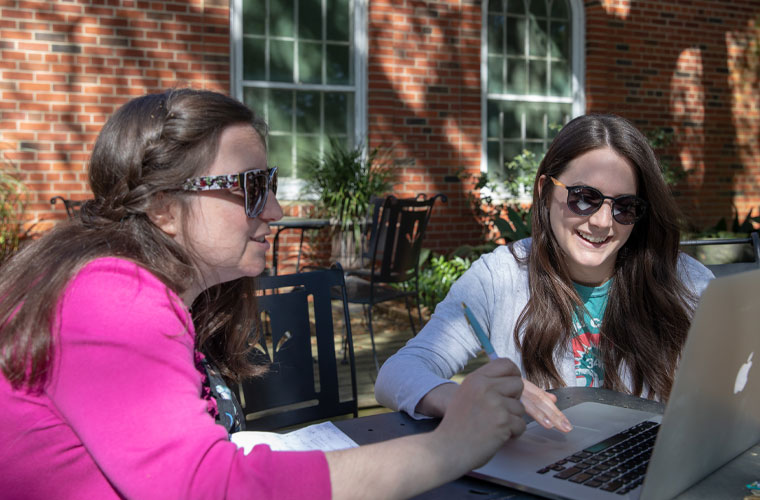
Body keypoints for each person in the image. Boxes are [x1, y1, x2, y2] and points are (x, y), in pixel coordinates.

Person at [0, 88, 527, 500]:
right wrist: (448, 448)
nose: (274, 210)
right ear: (162, 207)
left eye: (269, 184)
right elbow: (207, 489)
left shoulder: (157, 293)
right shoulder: (107, 298)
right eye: (251, 188)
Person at [375, 113, 714, 433]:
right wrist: (467, 398)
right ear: (545, 192)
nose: (602, 221)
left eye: (625, 207)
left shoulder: (686, 282)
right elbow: (398, 372)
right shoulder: (501, 277)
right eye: (584, 198)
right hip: (542, 473)